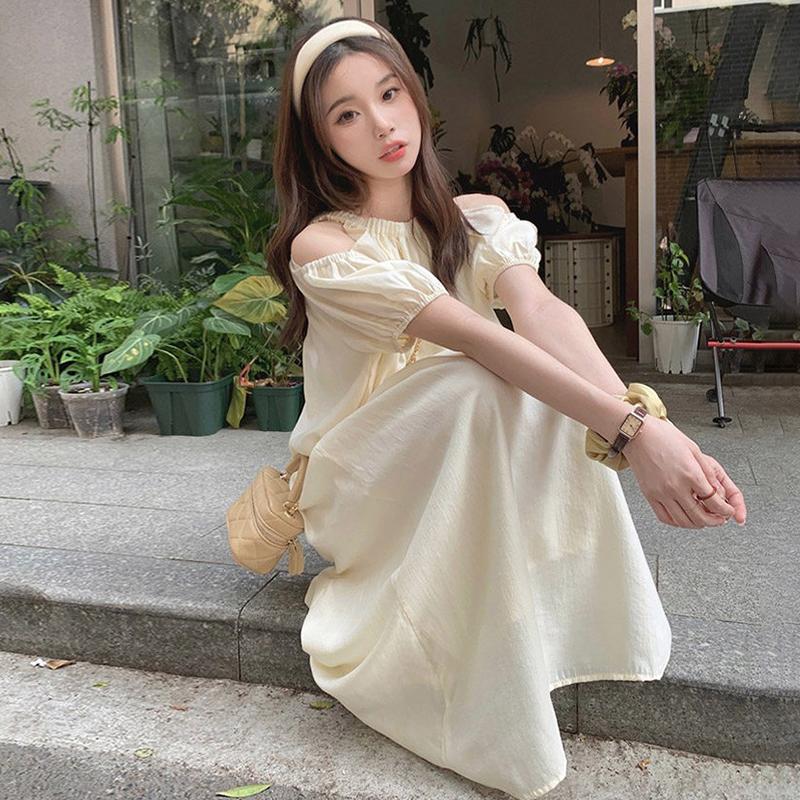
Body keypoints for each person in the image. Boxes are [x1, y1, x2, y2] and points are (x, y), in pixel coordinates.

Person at [266, 17, 747, 800]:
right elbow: (479, 340)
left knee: (526, 378)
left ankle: (562, 617)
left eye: (389, 94)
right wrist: (628, 434)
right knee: (485, 378)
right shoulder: (324, 246)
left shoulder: (477, 217)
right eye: (347, 113)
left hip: (461, 439)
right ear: (319, 140)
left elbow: (543, 315)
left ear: (414, 95)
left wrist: (651, 427)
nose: (382, 125)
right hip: (362, 478)